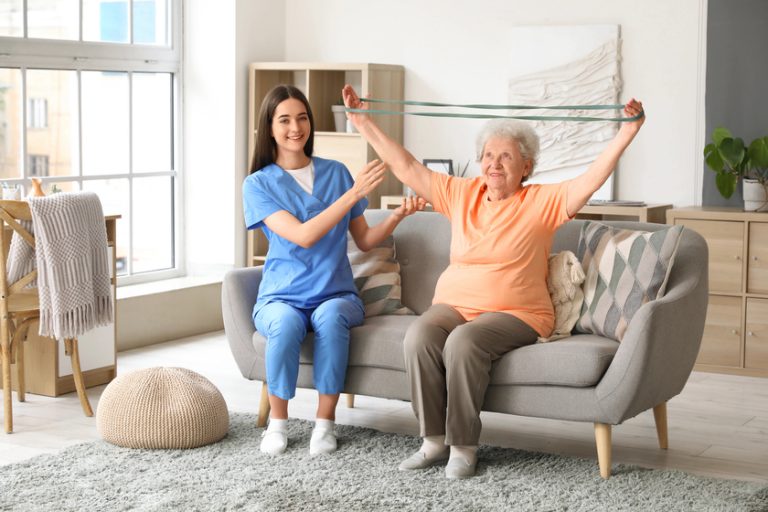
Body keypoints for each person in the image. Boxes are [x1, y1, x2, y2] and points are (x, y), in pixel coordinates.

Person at [342, 84, 645, 478]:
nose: (494, 163)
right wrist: (362, 122)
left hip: (517, 312)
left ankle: (463, 446)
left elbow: (590, 179)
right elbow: (407, 167)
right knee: (419, 336)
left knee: (464, 342)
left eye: (506, 156)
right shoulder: (461, 194)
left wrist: (627, 132)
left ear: (526, 166)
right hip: (453, 305)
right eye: (488, 155)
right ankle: (432, 440)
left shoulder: (541, 201)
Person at [243, 84, 424, 456]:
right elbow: (303, 235)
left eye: (303, 117)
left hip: (335, 293)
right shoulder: (258, 184)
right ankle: (278, 423)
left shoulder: (337, 172)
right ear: (270, 128)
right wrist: (353, 194)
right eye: (285, 120)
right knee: (286, 324)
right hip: (282, 294)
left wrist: (396, 216)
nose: (296, 127)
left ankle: (325, 424)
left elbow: (366, 240)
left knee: (330, 319)